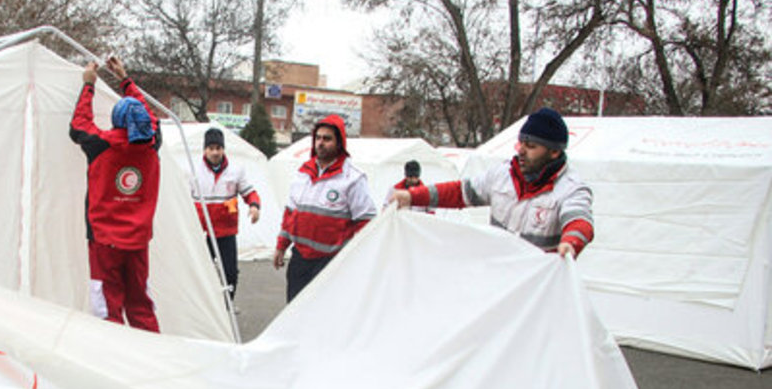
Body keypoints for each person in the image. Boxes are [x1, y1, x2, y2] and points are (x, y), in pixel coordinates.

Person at [391, 107, 593, 258]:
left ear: (554, 152)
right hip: (500, 275)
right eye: (520, 143)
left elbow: (579, 221)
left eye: (530, 146)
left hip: (537, 287)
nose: (521, 151)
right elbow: (460, 192)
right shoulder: (502, 175)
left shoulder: (570, 188)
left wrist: (571, 243)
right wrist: (412, 196)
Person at [68, 55, 162, 332]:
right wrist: (125, 79)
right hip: (138, 240)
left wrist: (88, 85)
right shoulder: (152, 143)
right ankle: (153, 358)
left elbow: (78, 125)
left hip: (104, 240)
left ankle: (112, 362)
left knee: (107, 306)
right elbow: (151, 117)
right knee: (140, 304)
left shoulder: (101, 145)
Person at [273, 115, 376, 302]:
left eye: (327, 139)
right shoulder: (302, 174)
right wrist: (281, 246)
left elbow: (366, 222)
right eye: (318, 138)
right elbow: (290, 213)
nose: (321, 143)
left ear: (339, 143)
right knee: (294, 313)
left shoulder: (352, 179)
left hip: (330, 262)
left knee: (320, 318)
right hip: (300, 258)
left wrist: (354, 259)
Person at [194, 127, 261, 299]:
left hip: (226, 232)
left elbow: (249, 193)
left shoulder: (235, 170)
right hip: (202, 233)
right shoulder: (193, 170)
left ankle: (228, 306)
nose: (215, 152)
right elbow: (182, 198)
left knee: (230, 273)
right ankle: (205, 307)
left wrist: (254, 206)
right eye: (211, 148)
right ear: (205, 149)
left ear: (223, 149)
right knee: (200, 274)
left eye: (218, 148)